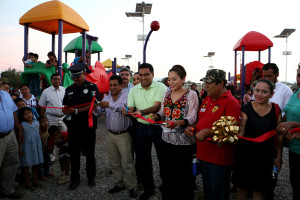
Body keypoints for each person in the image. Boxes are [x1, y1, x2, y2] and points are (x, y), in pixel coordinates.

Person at [185, 69, 241, 200]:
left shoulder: (231, 102)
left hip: (219, 158)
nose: (206, 86)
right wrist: (192, 128)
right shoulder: (207, 99)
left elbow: (232, 130)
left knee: (219, 193)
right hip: (204, 154)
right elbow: (201, 120)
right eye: (205, 83)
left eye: (209, 83)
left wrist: (208, 132)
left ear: (221, 83)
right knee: (208, 191)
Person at [152, 65, 199, 200]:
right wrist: (155, 116)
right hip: (166, 140)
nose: (170, 82)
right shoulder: (167, 93)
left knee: (184, 175)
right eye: (169, 79)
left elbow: (192, 117)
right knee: (168, 174)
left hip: (184, 142)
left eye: (174, 79)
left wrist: (176, 123)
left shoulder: (191, 94)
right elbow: (162, 112)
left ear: (183, 79)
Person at [123, 63, 167, 200]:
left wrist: (141, 111)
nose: (143, 77)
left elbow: (157, 106)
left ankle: (166, 187)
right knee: (143, 160)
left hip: (158, 127)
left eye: (146, 74)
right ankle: (149, 189)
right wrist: (127, 112)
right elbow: (130, 108)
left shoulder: (161, 87)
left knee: (163, 160)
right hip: (141, 128)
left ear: (152, 75)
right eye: (140, 75)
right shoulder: (134, 90)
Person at [234, 79, 282, 200]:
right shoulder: (246, 108)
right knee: (241, 189)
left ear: (272, 94)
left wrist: (278, 157)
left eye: (264, 92)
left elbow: (279, 136)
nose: (259, 94)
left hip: (264, 157)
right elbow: (241, 132)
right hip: (245, 155)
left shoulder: (276, 110)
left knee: (259, 190)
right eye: (257, 90)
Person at [98, 75, 137, 198]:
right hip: (110, 135)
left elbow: (126, 110)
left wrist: (109, 105)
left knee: (128, 163)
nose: (112, 87)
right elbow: (99, 112)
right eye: (110, 85)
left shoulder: (127, 96)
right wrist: (95, 108)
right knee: (114, 163)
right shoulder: (106, 97)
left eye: (115, 85)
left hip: (124, 135)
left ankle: (132, 187)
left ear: (121, 86)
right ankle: (119, 183)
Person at [62, 63, 100, 190]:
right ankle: (74, 179)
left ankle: (91, 178)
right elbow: (66, 105)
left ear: (83, 74)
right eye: (74, 77)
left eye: (78, 76)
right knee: (74, 154)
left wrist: (76, 111)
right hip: (73, 127)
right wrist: (65, 110)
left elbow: (94, 105)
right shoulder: (69, 89)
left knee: (90, 153)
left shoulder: (92, 87)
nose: (75, 79)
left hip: (88, 127)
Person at [262, 63, 292, 199]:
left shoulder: (285, 90)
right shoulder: (260, 87)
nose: (267, 78)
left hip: (274, 137)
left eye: (270, 75)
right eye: (265, 75)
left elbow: (287, 112)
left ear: (277, 75)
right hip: (259, 137)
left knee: (272, 171)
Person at [276, 65, 300, 200]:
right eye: (298, 75)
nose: (299, 79)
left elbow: (290, 121)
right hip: (294, 148)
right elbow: (288, 113)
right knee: (295, 184)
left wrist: (292, 124)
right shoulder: (296, 93)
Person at [0, 90, 23, 199]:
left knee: (12, 162)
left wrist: (18, 128)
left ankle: (7, 190)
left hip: (10, 134)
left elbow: (13, 111)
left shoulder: (5, 94)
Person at [18, 107, 44, 191]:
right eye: (25, 114)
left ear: (32, 113)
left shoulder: (37, 123)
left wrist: (43, 143)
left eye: (29, 112)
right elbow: (20, 138)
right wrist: (19, 149)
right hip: (27, 147)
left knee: (35, 164)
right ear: (22, 116)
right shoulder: (22, 125)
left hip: (36, 145)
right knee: (26, 165)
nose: (28, 115)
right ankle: (27, 183)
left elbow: (40, 133)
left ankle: (35, 181)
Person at [38, 116, 54, 181]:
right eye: (42, 122)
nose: (45, 123)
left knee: (47, 160)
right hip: (40, 149)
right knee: (40, 162)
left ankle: (46, 172)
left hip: (46, 149)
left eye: (46, 121)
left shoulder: (49, 130)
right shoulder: (38, 131)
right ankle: (41, 175)